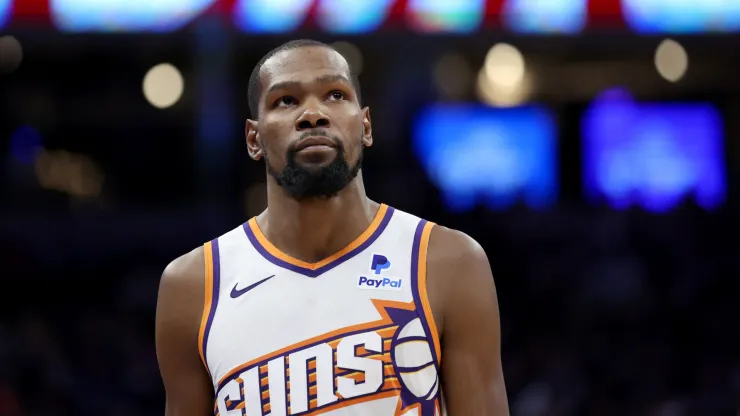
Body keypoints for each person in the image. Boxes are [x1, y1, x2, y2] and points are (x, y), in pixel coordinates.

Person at [155, 39, 509, 416]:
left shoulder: (448, 261)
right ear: (253, 139)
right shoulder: (192, 286)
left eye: (335, 95)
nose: (313, 114)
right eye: (286, 101)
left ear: (366, 125)